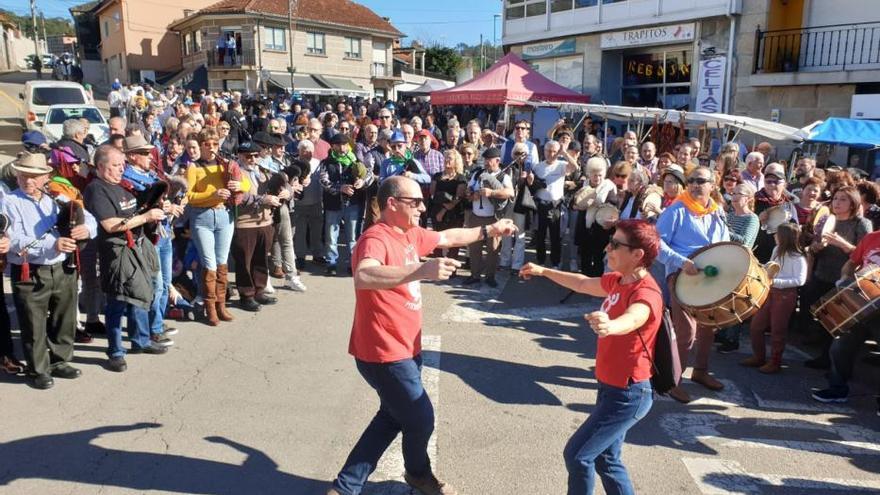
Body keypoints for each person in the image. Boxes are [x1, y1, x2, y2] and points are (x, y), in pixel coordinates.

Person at [327, 176, 516, 495]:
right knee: (420, 416)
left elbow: (447, 235)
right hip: (383, 351)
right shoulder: (376, 238)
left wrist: (488, 230)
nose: (422, 207)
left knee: (391, 416)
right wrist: (421, 271)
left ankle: (346, 485)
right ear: (392, 204)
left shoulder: (409, 234)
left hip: (406, 347)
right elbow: (364, 274)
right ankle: (417, 474)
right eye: (414, 202)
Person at [519, 219, 663, 495]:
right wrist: (543, 270)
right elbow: (584, 283)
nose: (608, 248)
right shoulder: (621, 280)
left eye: (616, 244)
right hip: (611, 388)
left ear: (637, 255)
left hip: (628, 395)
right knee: (607, 459)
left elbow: (636, 318)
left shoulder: (645, 293)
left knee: (578, 455)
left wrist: (611, 325)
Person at [2, 152, 96, 388]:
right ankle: (38, 369)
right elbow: (13, 239)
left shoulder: (56, 197)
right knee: (33, 323)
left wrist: (86, 229)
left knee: (63, 317)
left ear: (46, 176)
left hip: (62, 267)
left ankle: (59, 361)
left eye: (34, 176)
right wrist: (51, 244)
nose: (28, 181)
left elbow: (88, 216)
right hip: (30, 270)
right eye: (23, 175)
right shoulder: (9, 201)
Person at [84, 145, 167, 373]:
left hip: (137, 245)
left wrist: (156, 209)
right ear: (100, 167)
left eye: (122, 165)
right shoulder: (96, 189)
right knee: (117, 300)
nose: (121, 169)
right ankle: (115, 352)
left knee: (140, 293)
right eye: (115, 166)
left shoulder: (124, 185)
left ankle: (141, 340)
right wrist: (146, 217)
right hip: (117, 250)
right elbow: (110, 225)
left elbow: (138, 210)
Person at [655, 166, 731, 403]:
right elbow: (656, 244)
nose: (696, 184)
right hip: (681, 276)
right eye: (692, 180)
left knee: (709, 326)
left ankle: (700, 371)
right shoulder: (676, 210)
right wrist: (681, 262)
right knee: (686, 331)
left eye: (701, 180)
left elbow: (724, 241)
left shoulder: (717, 212)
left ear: (712, 185)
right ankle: (672, 381)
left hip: (710, 278)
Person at [802, 185, 873, 368]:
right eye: (835, 199)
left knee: (840, 325)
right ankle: (824, 358)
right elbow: (816, 248)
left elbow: (866, 255)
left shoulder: (861, 224)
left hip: (845, 281)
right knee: (824, 321)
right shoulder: (829, 220)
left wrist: (844, 245)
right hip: (822, 275)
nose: (837, 203)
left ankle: (834, 364)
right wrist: (815, 248)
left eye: (843, 199)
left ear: (853, 203)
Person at [186, 129, 250, 326]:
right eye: (207, 144)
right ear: (201, 145)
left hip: (224, 216)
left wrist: (238, 186)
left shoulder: (225, 164)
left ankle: (222, 305)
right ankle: (210, 306)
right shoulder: (193, 167)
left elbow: (246, 184)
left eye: (215, 144)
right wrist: (212, 196)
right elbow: (189, 197)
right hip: (202, 217)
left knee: (222, 262)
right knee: (210, 263)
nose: (212, 148)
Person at [811, 227, 880, 408]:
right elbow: (851, 263)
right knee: (839, 347)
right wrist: (844, 280)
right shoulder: (872, 237)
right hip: (860, 303)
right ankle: (837, 389)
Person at [741, 223, 807, 373]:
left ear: (785, 237)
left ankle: (775, 362)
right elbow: (772, 267)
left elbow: (800, 280)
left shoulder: (798, 257)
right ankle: (759, 357)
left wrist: (775, 282)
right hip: (769, 292)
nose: (774, 236)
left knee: (778, 330)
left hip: (785, 296)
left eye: (778, 234)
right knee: (756, 326)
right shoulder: (776, 250)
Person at [232, 141, 277, 311]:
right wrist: (263, 200)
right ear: (240, 156)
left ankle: (259, 290)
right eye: (248, 156)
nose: (252, 159)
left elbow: (280, 183)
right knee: (244, 261)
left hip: (265, 221)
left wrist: (287, 190)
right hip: (245, 223)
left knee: (261, 259)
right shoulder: (236, 173)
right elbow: (239, 197)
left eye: (255, 156)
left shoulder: (263, 171)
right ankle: (246, 295)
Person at [463, 148, 514, 287]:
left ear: (497, 161)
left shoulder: (504, 176)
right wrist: (471, 194)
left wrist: (492, 193)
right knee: (474, 248)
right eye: (485, 159)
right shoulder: (478, 173)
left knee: (493, 249)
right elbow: (468, 190)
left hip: (494, 218)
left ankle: (490, 276)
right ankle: (475, 275)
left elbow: (509, 192)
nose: (486, 162)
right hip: (476, 216)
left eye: (489, 160)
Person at [528, 140, 567, 268]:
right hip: (540, 206)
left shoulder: (562, 165)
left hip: (555, 206)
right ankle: (540, 261)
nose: (551, 154)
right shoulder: (538, 166)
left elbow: (575, 168)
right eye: (548, 151)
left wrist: (564, 153)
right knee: (540, 235)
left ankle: (555, 262)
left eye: (554, 151)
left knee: (555, 236)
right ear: (543, 151)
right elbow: (531, 186)